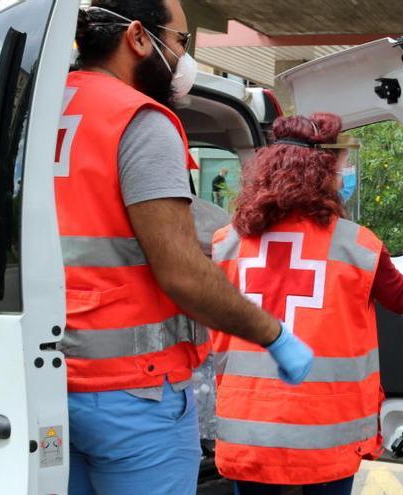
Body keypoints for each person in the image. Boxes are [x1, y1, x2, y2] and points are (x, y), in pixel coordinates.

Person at [59, 2, 313, 493]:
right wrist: (274, 334)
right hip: (134, 397)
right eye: (181, 40)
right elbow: (181, 273)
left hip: (51, 381)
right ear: (137, 37)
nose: (182, 56)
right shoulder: (139, 119)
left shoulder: (43, 113)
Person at [209, 113, 403, 495]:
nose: (346, 173)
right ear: (322, 170)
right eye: (344, 164)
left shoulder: (225, 242)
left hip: (248, 427)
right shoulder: (356, 245)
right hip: (325, 431)